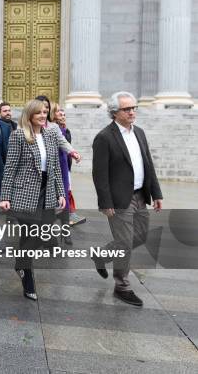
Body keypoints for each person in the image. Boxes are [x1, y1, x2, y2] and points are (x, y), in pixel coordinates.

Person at [92, 91, 163, 307]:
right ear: (115, 112)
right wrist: (105, 202)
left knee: (140, 237)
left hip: (141, 194)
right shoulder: (104, 137)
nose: (132, 112)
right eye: (127, 109)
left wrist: (156, 193)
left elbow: (148, 164)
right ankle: (122, 286)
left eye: (134, 108)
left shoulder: (139, 132)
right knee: (124, 243)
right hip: (119, 199)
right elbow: (99, 173)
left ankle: (101, 255)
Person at [0, 99, 66, 301]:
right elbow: (9, 168)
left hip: (47, 192)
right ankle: (28, 278)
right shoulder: (18, 136)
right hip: (24, 193)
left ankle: (20, 264)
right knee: (31, 235)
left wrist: (61, 193)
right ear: (29, 115)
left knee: (39, 234)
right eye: (39, 113)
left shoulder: (51, 135)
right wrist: (5, 197)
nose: (43, 115)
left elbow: (55, 168)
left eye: (45, 112)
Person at [53, 107, 86, 227]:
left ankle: (69, 214)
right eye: (60, 114)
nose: (63, 116)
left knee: (68, 189)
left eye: (64, 114)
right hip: (59, 164)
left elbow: (67, 146)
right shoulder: (55, 130)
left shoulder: (65, 130)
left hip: (66, 163)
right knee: (65, 191)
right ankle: (67, 215)